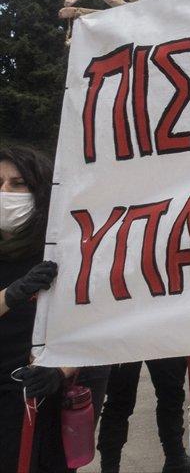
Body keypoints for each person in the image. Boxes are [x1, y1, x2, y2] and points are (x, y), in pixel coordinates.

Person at [2, 147, 108, 473]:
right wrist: (12, 294)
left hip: (49, 389)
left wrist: (59, 371)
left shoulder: (68, 245)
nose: (5, 192)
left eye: (18, 184)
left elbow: (98, 322)